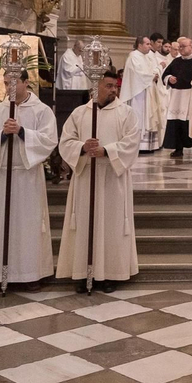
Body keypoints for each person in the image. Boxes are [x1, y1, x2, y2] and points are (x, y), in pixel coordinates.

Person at [57, 67, 139, 293]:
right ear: (96, 86)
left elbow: (132, 143)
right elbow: (65, 141)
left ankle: (110, 274)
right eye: (109, 86)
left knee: (110, 225)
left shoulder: (126, 113)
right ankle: (84, 273)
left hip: (113, 176)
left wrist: (108, 151)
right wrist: (82, 147)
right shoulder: (80, 113)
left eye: (116, 86)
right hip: (86, 176)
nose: (114, 90)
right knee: (85, 224)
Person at [0, 70, 57, 291]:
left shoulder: (42, 111)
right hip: (3, 174)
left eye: (13, 82)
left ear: (26, 82)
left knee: (28, 225)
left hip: (27, 175)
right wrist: (1, 135)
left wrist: (22, 132)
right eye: (5, 83)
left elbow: (49, 140)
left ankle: (31, 274)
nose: (8, 87)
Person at [121, 36, 167, 153]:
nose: (149, 46)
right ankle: (139, 146)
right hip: (138, 94)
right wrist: (154, 74)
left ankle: (149, 146)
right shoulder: (134, 56)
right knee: (140, 117)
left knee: (148, 116)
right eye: (147, 44)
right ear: (139, 45)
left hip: (148, 91)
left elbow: (152, 71)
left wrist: (156, 72)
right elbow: (140, 74)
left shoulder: (147, 57)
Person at [161, 36, 192, 153]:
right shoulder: (176, 61)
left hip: (191, 95)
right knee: (176, 121)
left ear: (191, 46)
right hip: (177, 96)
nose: (181, 49)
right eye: (179, 47)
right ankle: (178, 148)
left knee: (190, 121)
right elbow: (165, 75)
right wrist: (169, 78)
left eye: (183, 47)